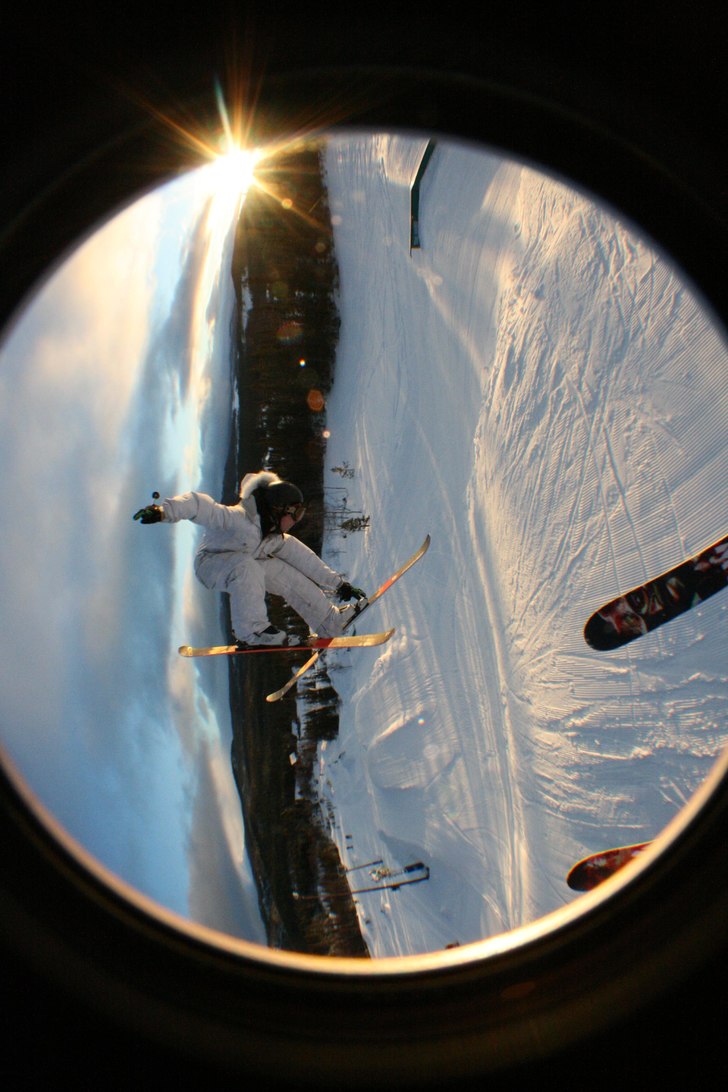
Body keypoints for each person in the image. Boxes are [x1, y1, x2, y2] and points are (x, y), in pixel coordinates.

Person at [133, 471, 367, 647]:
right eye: (294, 513)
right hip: (211, 564)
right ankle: (251, 632)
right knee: (247, 567)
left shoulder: (274, 537)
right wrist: (164, 512)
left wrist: (339, 584)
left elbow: (303, 558)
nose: (297, 519)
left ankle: (329, 621)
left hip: (247, 564)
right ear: (278, 509)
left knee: (286, 574)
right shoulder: (237, 519)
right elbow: (198, 505)